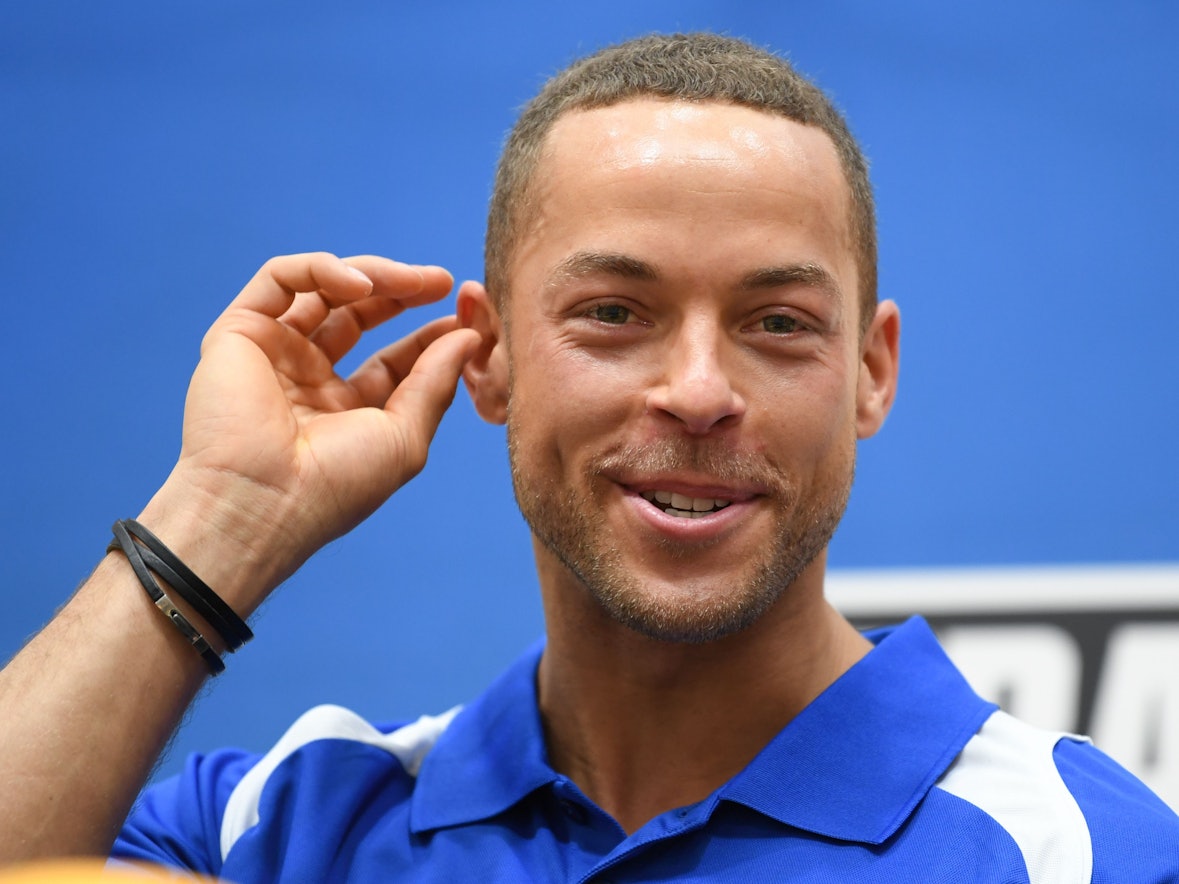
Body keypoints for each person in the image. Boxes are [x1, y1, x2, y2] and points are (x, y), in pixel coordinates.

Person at [1, 32, 1176, 883]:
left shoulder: (1081, 849)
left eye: (777, 323)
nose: (701, 391)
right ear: (492, 357)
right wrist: (222, 516)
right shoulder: (283, 828)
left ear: (870, 370)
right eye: (614, 313)